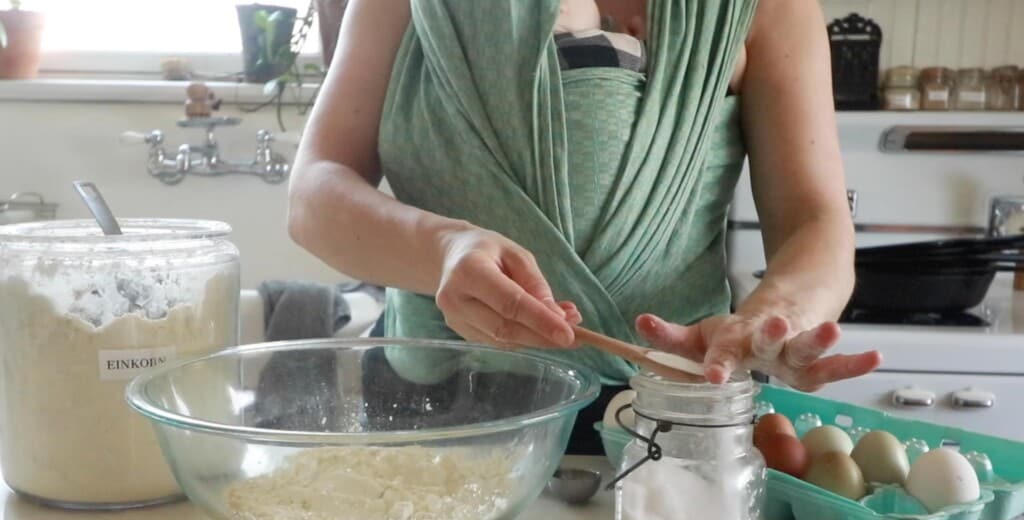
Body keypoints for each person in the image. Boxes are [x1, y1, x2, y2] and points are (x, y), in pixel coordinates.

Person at [288, 0, 883, 454]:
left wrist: (775, 316)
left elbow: (816, 220)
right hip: (435, 414)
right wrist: (443, 249)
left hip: (670, 418)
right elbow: (314, 193)